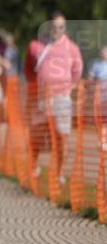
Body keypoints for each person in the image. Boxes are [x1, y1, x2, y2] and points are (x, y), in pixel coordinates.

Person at [27, 12, 83, 185]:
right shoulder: (36, 46)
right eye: (54, 26)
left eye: (61, 27)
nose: (57, 30)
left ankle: (59, 173)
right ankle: (33, 167)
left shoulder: (72, 48)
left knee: (62, 136)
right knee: (38, 134)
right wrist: (36, 85)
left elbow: (77, 71)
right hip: (42, 97)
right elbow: (28, 68)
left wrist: (67, 88)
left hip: (62, 97)